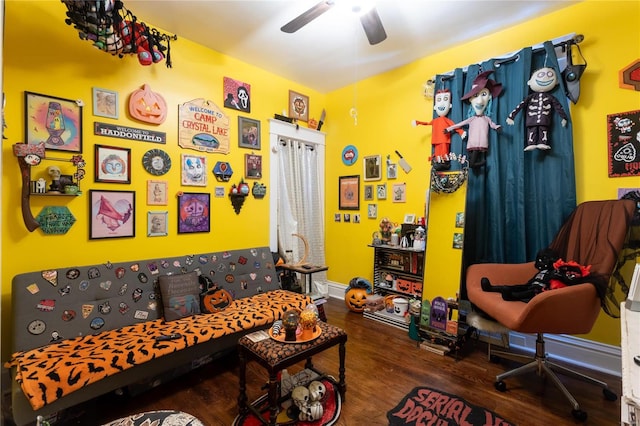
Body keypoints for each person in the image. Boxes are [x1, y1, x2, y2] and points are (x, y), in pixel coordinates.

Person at [445, 70, 503, 169]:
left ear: (489, 97)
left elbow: (493, 125)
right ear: (471, 99)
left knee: (471, 161)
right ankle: (480, 164)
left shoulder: (486, 118)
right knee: (471, 161)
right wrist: (449, 129)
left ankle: (478, 164)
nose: (480, 101)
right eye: (475, 95)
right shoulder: (471, 119)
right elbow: (460, 124)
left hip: (481, 142)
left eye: (484, 95)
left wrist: (497, 127)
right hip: (473, 142)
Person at [506, 67, 568, 151]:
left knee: (543, 131)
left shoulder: (550, 98)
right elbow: (520, 105)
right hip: (532, 119)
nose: (544, 78)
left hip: (544, 119)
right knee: (532, 131)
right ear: (529, 82)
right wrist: (511, 116)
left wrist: (564, 117)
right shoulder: (530, 97)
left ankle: (543, 142)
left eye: (549, 75)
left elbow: (558, 107)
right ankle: (531, 143)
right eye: (541, 75)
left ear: (556, 81)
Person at [412, 89, 466, 170]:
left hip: (444, 139)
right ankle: (439, 163)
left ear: (450, 105)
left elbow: (454, 126)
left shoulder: (446, 120)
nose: (442, 103)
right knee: (438, 153)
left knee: (444, 152)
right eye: (439, 100)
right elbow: (427, 123)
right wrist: (418, 122)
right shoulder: (435, 120)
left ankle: (445, 164)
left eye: (445, 99)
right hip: (437, 140)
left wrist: (461, 132)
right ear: (435, 106)